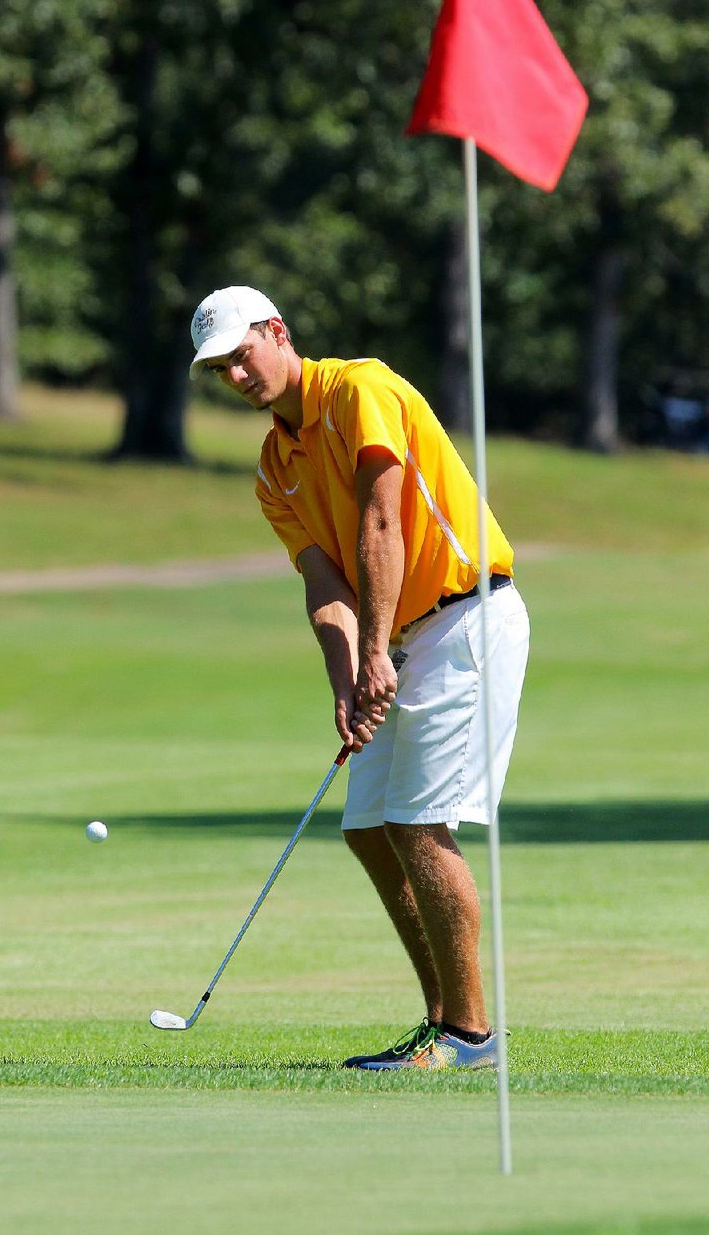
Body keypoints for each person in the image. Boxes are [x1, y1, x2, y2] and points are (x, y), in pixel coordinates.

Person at [189, 284, 530, 1071]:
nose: (238, 376)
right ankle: (440, 1018)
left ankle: (472, 1038)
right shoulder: (275, 467)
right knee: (368, 829)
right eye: (220, 371)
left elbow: (384, 520)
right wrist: (348, 678)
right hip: (397, 638)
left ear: (278, 331)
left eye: (243, 356)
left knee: (417, 823)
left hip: (463, 617)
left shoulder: (359, 388)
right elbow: (323, 581)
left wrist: (376, 650)